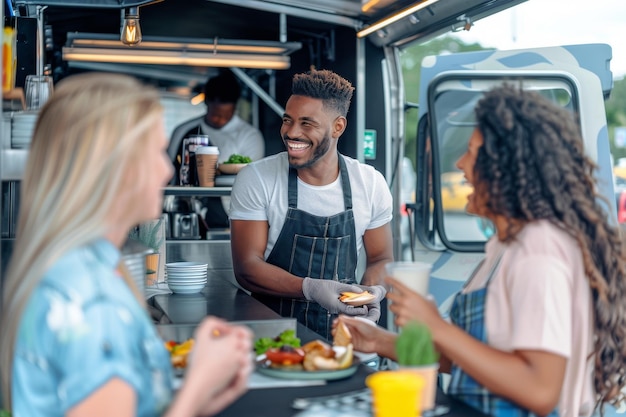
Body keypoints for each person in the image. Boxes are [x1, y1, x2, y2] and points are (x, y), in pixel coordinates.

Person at [335, 84, 626, 417]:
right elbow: (478, 360)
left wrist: (436, 325)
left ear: (507, 166)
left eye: (472, 152)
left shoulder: (539, 250)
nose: (460, 164)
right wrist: (379, 341)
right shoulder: (505, 246)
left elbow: (540, 389)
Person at [0, 73, 253, 417]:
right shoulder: (92, 303)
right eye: (154, 152)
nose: (166, 171)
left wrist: (207, 394)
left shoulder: (88, 269)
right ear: (113, 167)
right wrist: (199, 381)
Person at [229, 69, 393, 340]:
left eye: (307, 123)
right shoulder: (257, 178)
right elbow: (247, 269)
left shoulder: (370, 183)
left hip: (344, 336)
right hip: (272, 337)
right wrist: (311, 288)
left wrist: (370, 293)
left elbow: (382, 258)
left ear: (338, 127)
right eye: (288, 120)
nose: (292, 133)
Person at [168, 69, 265, 229]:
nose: (219, 119)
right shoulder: (184, 131)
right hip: (182, 214)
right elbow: (169, 173)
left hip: (229, 216)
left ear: (235, 107)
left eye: (226, 114)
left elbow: (252, 183)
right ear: (206, 102)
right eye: (215, 114)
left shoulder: (249, 136)